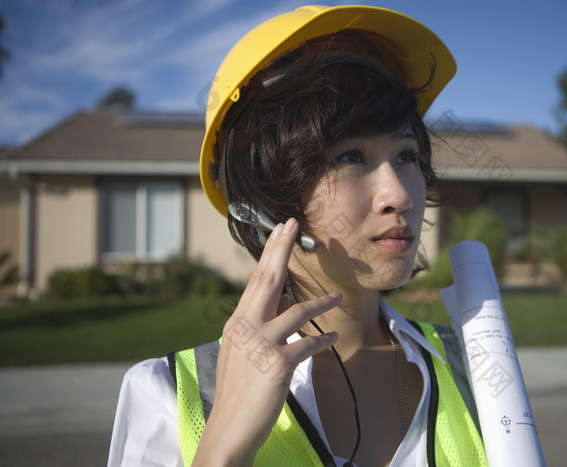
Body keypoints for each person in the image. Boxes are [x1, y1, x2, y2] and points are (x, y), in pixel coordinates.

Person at [107, 5, 487, 466]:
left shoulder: (478, 365)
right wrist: (222, 443)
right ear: (263, 205)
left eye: (406, 154)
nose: (399, 194)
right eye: (350, 156)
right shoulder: (167, 394)